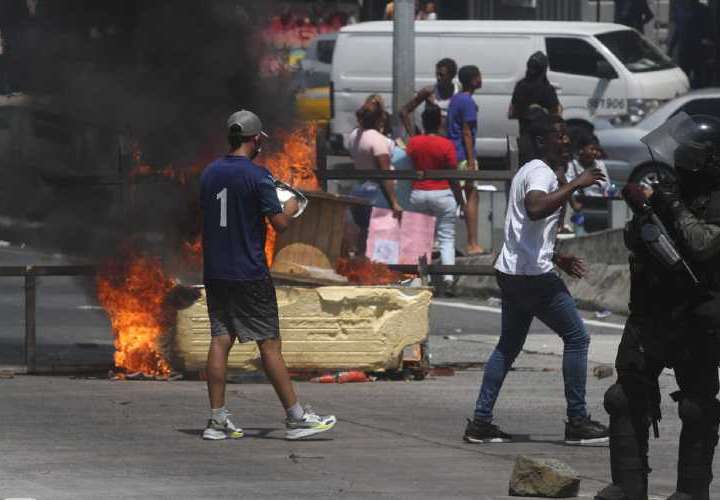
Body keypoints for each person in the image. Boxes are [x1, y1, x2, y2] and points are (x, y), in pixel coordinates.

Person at [463, 114, 609, 445]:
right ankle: (577, 421)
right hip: (531, 277)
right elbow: (534, 209)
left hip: (513, 271)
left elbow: (523, 229)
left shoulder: (528, 170)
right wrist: (577, 183)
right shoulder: (541, 172)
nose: (566, 141)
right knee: (577, 339)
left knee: (509, 345)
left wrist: (557, 256)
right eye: (559, 136)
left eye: (566, 135)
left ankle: (481, 422)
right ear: (543, 142)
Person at [595, 114, 720, 500]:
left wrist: (672, 207)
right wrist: (646, 212)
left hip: (696, 316)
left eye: (691, 156)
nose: (682, 162)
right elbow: (641, 240)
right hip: (650, 312)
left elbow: (701, 244)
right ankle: (628, 485)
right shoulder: (672, 190)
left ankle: (692, 490)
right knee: (625, 395)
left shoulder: (714, 201)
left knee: (697, 404)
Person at [200, 110, 337, 441]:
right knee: (270, 345)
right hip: (249, 272)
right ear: (253, 139)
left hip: (216, 270)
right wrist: (290, 205)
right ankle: (296, 417)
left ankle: (217, 420)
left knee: (220, 340)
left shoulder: (209, 173)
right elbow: (280, 223)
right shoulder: (257, 176)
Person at [407, 106, 464, 295]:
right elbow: (453, 175)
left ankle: (425, 279)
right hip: (442, 193)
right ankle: (448, 279)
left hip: (419, 193)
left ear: (423, 122)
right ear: (440, 122)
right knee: (446, 237)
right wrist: (460, 199)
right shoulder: (446, 145)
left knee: (422, 238)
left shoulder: (413, 143)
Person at [346, 96, 404, 254]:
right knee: (383, 239)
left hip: (358, 190)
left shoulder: (354, 136)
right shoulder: (378, 141)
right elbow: (385, 175)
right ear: (380, 118)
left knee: (364, 233)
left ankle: (360, 267)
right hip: (377, 193)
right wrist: (394, 202)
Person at [447, 65, 483, 255]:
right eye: (479, 76)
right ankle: (472, 243)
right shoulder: (467, 101)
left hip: (453, 153)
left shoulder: (456, 99)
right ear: (473, 80)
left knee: (457, 196)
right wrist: (471, 160)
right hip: (463, 154)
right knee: (471, 195)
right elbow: (467, 132)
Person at [509, 52, 562, 164]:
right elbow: (556, 113)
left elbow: (512, 112)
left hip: (525, 136)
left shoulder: (520, 86)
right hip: (544, 139)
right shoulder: (547, 88)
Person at [565, 131, 612, 234]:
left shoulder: (600, 165)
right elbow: (569, 188)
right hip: (580, 206)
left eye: (596, 149)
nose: (595, 152)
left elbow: (607, 187)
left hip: (599, 206)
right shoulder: (571, 166)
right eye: (592, 149)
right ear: (581, 150)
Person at [399, 58, 459, 137]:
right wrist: (412, 136)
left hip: (451, 140)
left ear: (452, 75)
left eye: (442, 75)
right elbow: (404, 111)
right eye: (437, 74)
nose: (438, 78)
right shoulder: (429, 91)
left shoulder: (458, 92)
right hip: (432, 140)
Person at [669, 0, 712, 89]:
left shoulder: (701, 9)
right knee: (686, 76)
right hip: (687, 48)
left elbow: (708, 29)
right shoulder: (680, 7)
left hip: (696, 48)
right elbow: (678, 30)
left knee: (697, 76)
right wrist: (670, 48)